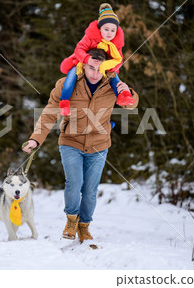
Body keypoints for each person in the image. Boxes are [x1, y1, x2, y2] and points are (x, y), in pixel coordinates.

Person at [22, 48, 139, 243]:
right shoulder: (66, 84)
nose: (95, 73)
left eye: (99, 69)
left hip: (99, 145)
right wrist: (35, 139)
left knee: (90, 190)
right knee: (74, 184)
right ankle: (71, 220)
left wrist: (128, 92)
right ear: (83, 65)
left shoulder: (112, 85)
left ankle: (84, 226)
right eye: (91, 68)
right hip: (71, 142)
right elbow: (50, 113)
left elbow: (131, 105)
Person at [58, 3, 135, 117]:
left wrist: (106, 66)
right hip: (83, 62)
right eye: (106, 29)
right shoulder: (90, 37)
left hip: (105, 66)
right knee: (72, 75)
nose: (109, 33)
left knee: (114, 76)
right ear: (100, 29)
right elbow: (79, 49)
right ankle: (64, 102)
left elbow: (118, 60)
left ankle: (123, 95)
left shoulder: (115, 44)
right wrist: (87, 59)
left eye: (113, 30)